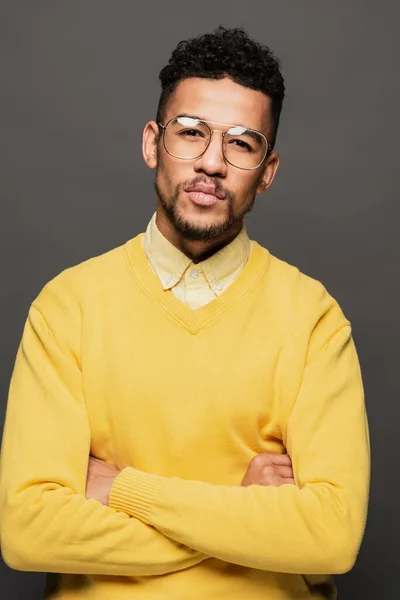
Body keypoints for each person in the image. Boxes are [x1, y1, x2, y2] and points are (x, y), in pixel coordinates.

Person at [0, 26, 370, 600]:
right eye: (191, 134)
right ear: (153, 143)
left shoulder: (314, 320)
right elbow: (26, 531)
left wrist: (123, 489)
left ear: (266, 173)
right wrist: (244, 519)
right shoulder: (67, 306)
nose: (212, 163)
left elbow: (331, 538)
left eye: (242, 144)